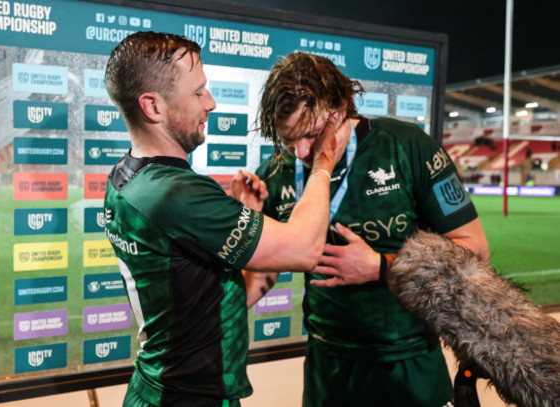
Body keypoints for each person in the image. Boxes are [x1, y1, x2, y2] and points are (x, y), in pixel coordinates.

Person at [103, 33, 349, 407]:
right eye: (199, 92)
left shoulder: (124, 176)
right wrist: (324, 161)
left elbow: (213, 300)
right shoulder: (177, 195)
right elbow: (305, 249)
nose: (212, 103)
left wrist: (244, 218)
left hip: (157, 387)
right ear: (152, 106)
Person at [245, 52, 490, 407]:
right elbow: (260, 279)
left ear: (340, 106)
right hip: (326, 368)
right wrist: (248, 226)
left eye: (311, 134)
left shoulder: (407, 147)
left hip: (409, 362)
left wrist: (380, 266)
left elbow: (475, 251)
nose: (300, 152)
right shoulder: (277, 171)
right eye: (288, 140)